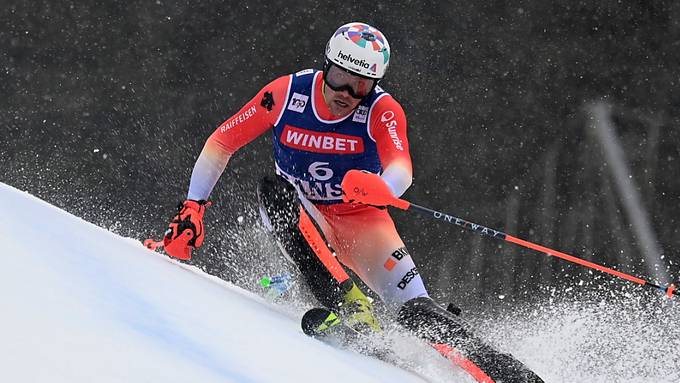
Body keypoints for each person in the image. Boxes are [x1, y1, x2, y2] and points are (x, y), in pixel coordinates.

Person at [153, 22, 542, 382]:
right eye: (340, 79)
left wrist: (382, 187)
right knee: (276, 194)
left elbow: (401, 167)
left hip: (361, 220)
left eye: (360, 86)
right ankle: (351, 304)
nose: (346, 94)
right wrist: (194, 207)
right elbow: (222, 142)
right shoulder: (287, 94)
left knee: (417, 311)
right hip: (304, 215)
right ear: (326, 67)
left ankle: (512, 377)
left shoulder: (382, 109)